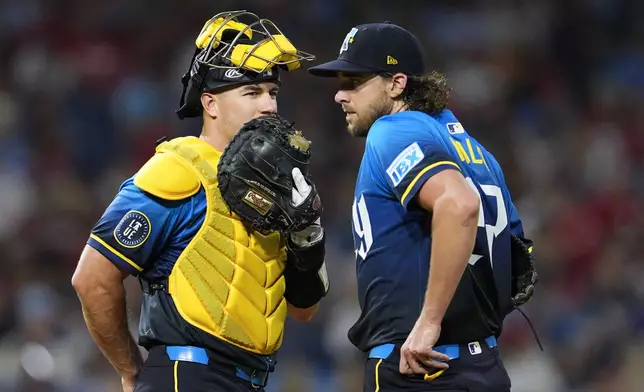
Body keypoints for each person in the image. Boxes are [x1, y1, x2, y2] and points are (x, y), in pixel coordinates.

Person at [71, 11, 329, 392]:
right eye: (252, 92)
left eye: (272, 93)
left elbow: (304, 311)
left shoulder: (281, 189)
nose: (268, 106)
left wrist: (308, 238)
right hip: (186, 374)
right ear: (210, 103)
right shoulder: (179, 171)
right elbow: (92, 278)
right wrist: (129, 369)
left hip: (250, 381)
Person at [309, 22, 536, 391]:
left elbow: (459, 204)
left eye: (354, 81)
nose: (340, 94)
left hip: (422, 367)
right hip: (483, 367)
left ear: (397, 84)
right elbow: (519, 264)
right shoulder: (478, 153)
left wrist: (430, 320)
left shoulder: (393, 129)